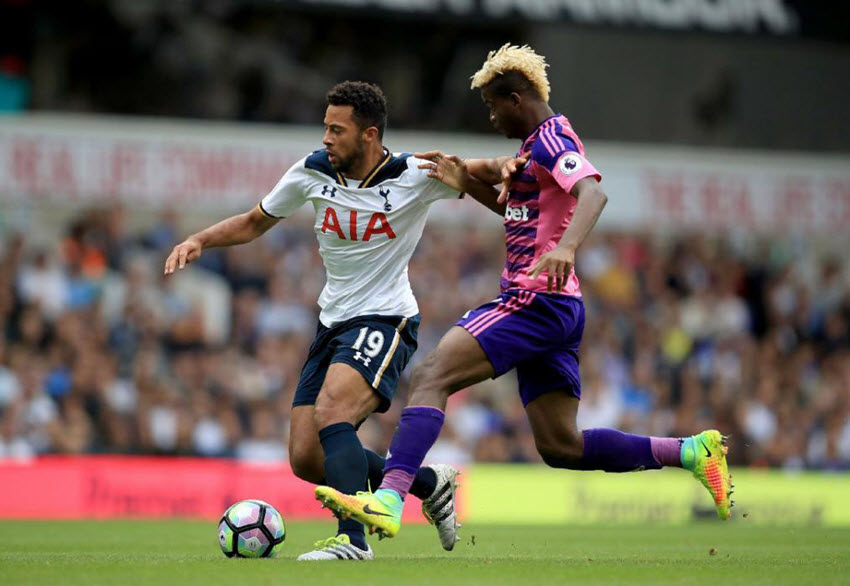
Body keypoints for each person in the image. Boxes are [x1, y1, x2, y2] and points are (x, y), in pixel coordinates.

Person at [314, 45, 733, 540]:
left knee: (429, 374)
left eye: (494, 106)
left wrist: (568, 248)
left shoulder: (555, 139)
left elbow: (594, 192)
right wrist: (464, 181)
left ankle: (389, 499)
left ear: (517, 98)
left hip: (534, 299)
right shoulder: (532, 148)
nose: (491, 117)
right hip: (560, 307)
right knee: (561, 446)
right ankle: (689, 451)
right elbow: (520, 213)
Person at [164, 81, 495, 560]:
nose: (325, 138)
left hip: (387, 318)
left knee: (334, 412)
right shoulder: (311, 172)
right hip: (333, 321)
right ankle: (428, 484)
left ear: (369, 135)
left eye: (336, 130)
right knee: (305, 455)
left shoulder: (412, 174)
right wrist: (200, 239)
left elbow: (483, 171)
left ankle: (352, 540)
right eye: (324, 127)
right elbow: (255, 221)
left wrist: (514, 168)